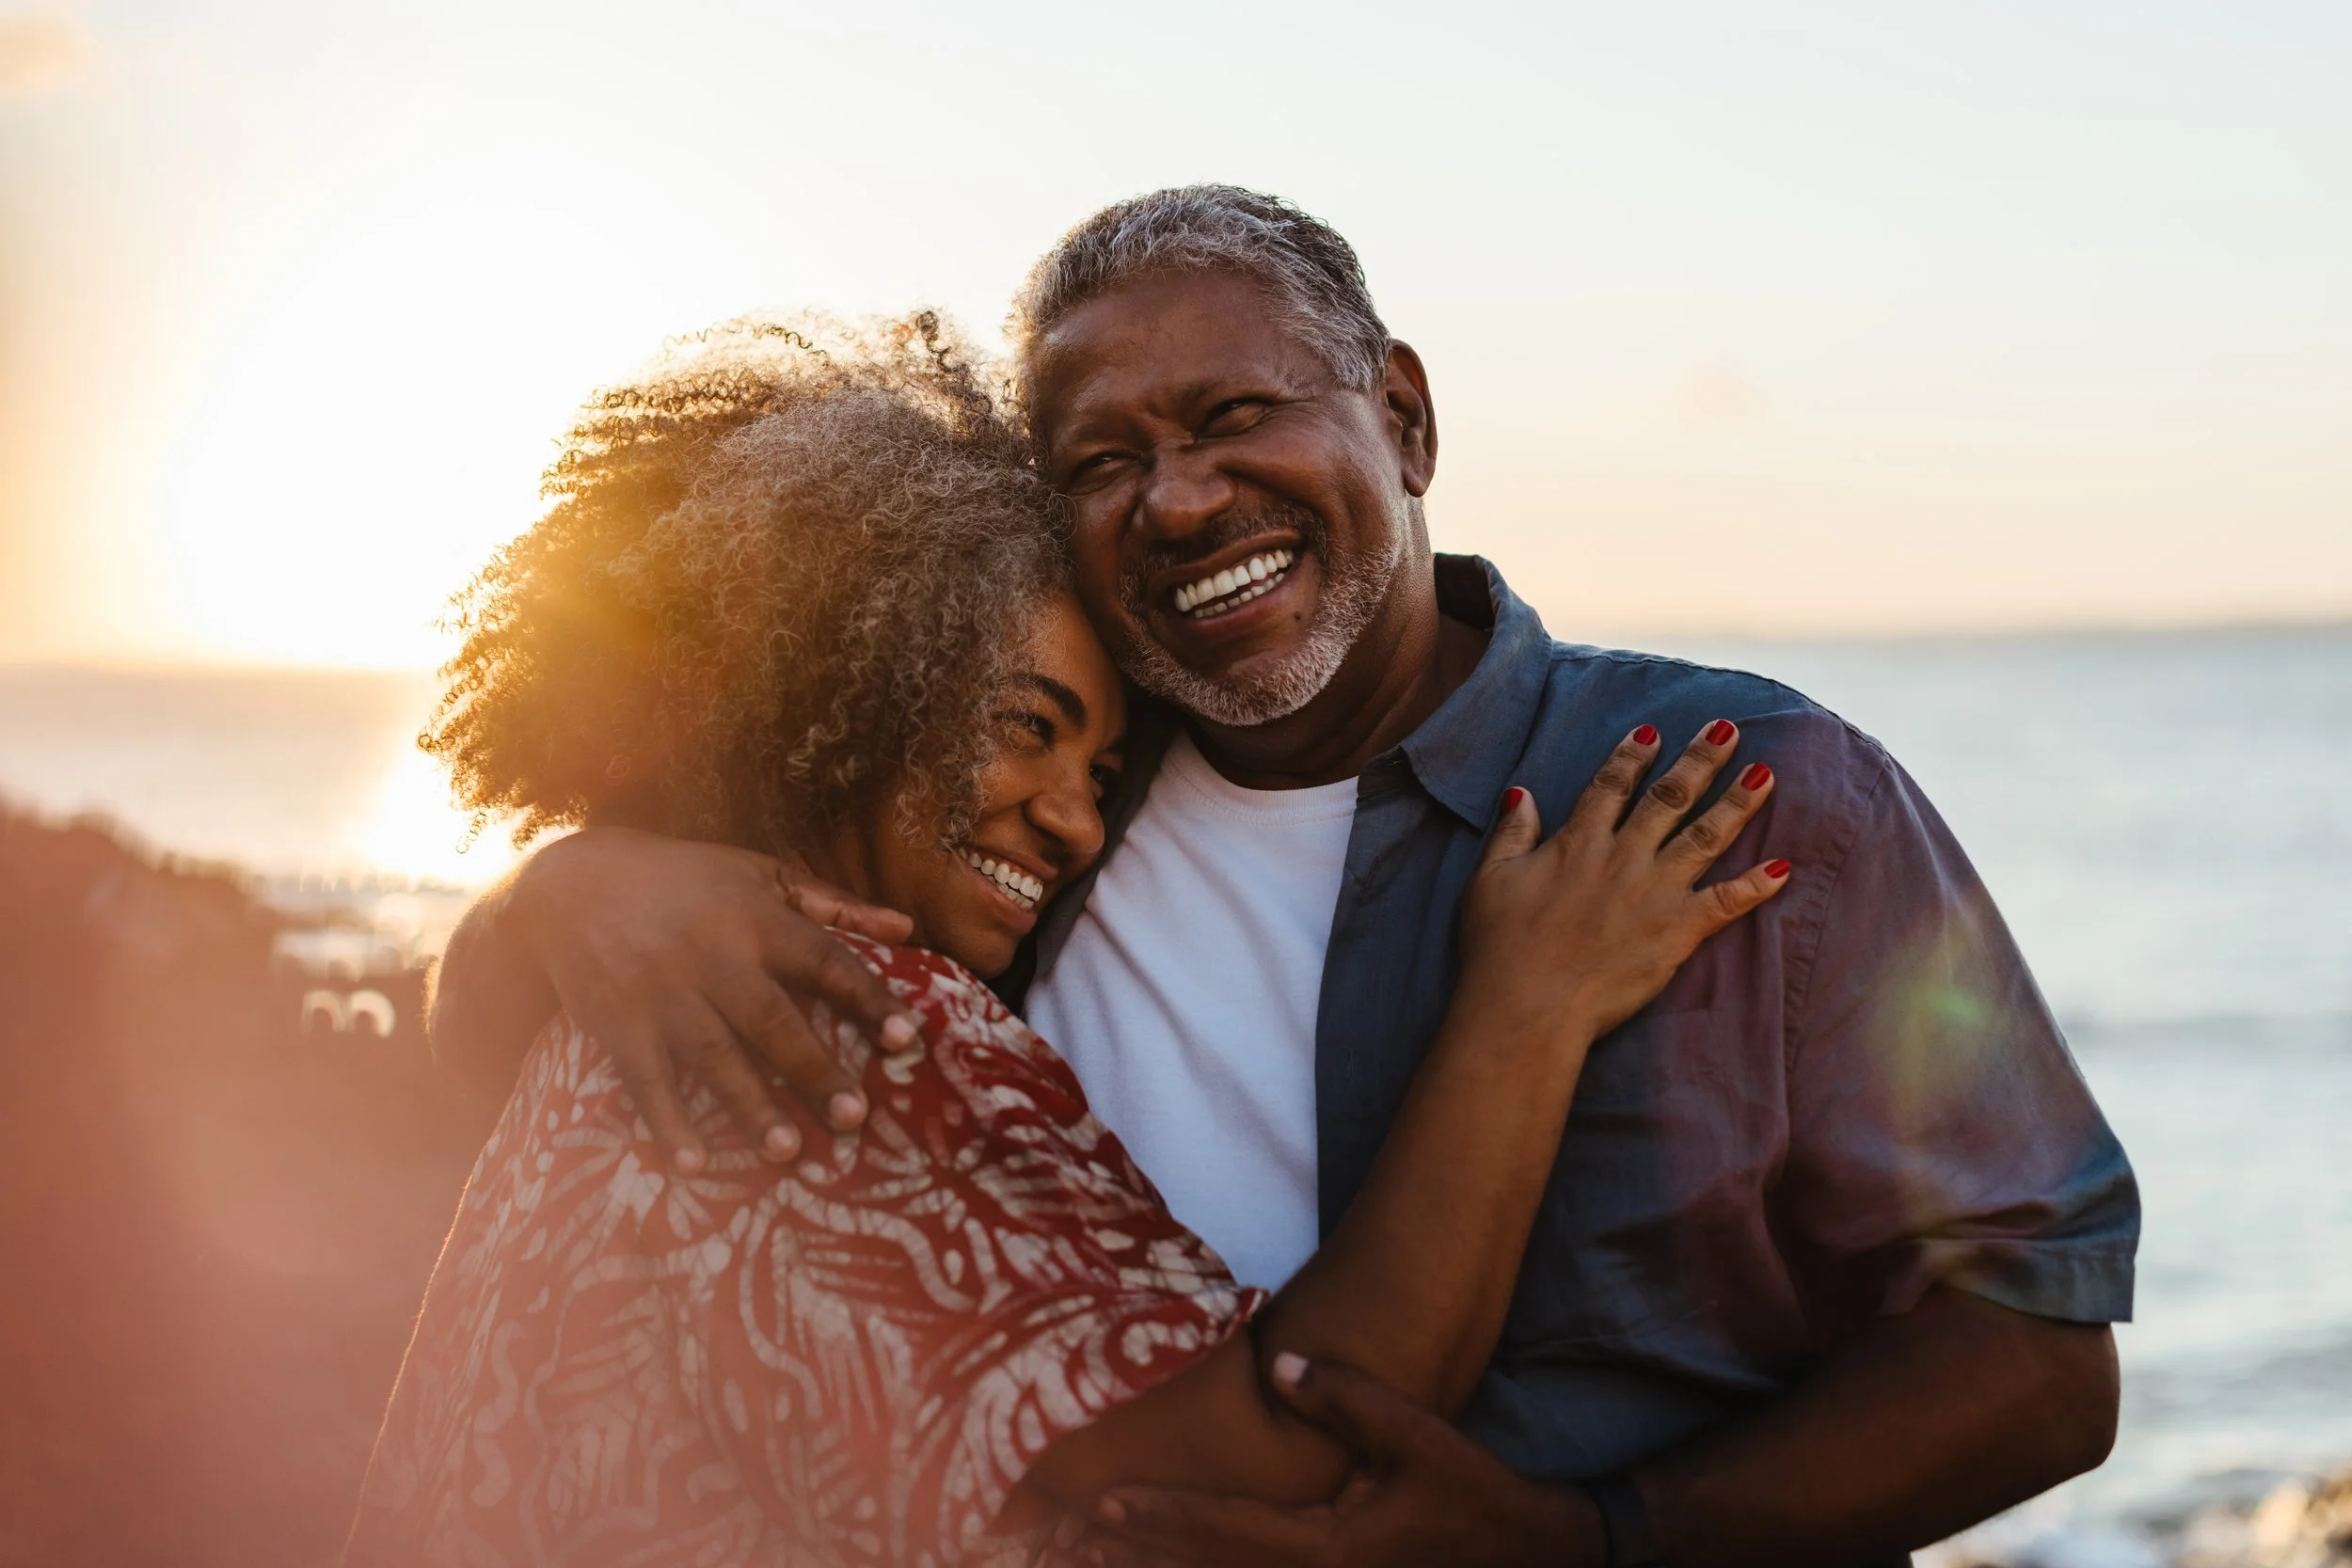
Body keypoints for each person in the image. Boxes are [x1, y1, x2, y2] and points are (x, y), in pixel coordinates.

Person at [428, 188, 2139, 1568]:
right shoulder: (1013, 834)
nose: (1179, 496)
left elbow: (2042, 1357)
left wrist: (1599, 1539)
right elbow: (537, 1065)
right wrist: (562, 885)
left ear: (1400, 415)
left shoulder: (1744, 797)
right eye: (1101, 461)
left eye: (1237, 413)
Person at [346, 313, 1789, 1567]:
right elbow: (1289, 1441)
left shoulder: (639, 988)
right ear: (845, 684)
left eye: (1103, 775)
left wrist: (561, 883)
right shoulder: (860, 1028)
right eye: (1024, 728)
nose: (1076, 825)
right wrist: (1527, 1007)